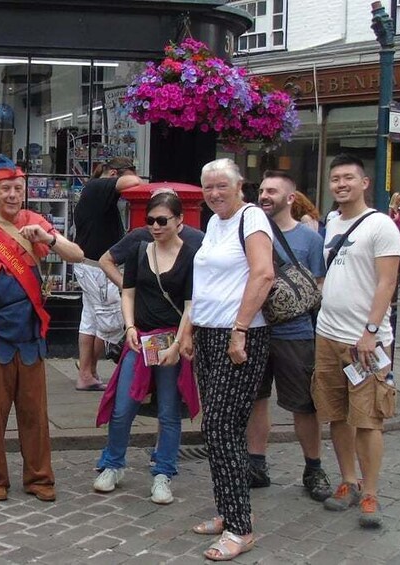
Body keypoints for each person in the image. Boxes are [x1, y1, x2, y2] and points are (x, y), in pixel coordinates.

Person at [0, 155, 84, 503]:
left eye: (18, 189)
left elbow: (77, 255)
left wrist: (48, 239)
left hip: (30, 334)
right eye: (6, 188)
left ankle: (40, 478)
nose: (12, 195)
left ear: (25, 190)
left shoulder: (36, 222)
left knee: (35, 414)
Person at [178, 158, 274, 561]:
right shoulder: (215, 223)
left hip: (242, 336)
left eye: (221, 186)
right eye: (208, 187)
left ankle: (240, 527)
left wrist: (239, 328)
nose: (214, 193)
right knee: (218, 429)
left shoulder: (251, 218)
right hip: (210, 334)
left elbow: (263, 274)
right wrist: (189, 330)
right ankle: (227, 511)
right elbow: (204, 284)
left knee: (221, 426)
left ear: (239, 187)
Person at [312, 154, 400, 529]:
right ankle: (348, 480)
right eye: (335, 179)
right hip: (327, 335)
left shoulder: (381, 225)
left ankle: (371, 492)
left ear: (365, 182)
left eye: (348, 178)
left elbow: (387, 282)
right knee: (336, 413)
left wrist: (371, 332)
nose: (341, 184)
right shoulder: (332, 221)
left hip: (363, 341)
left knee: (369, 420)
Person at [93, 192, 194, 505]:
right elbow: (128, 293)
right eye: (150, 220)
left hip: (170, 342)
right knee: (123, 407)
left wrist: (178, 344)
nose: (155, 226)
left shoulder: (191, 255)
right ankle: (113, 463)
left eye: (162, 220)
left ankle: (163, 472)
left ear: (180, 221)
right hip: (141, 339)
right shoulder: (139, 251)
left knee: (168, 412)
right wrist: (130, 327)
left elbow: (192, 305)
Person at [244, 171, 332, 501]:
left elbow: (318, 287)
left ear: (291, 198)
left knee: (304, 405)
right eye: (263, 190)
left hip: (296, 333)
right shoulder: (250, 233)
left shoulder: (310, 240)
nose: (265, 196)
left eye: (273, 191)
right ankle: (256, 465)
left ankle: (313, 468)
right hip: (255, 330)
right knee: (256, 399)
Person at [72, 157, 144, 391]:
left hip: (88, 265)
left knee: (91, 322)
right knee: (110, 325)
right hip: (98, 269)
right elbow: (133, 182)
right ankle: (91, 372)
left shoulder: (95, 192)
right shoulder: (98, 186)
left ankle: (87, 374)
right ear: (114, 173)